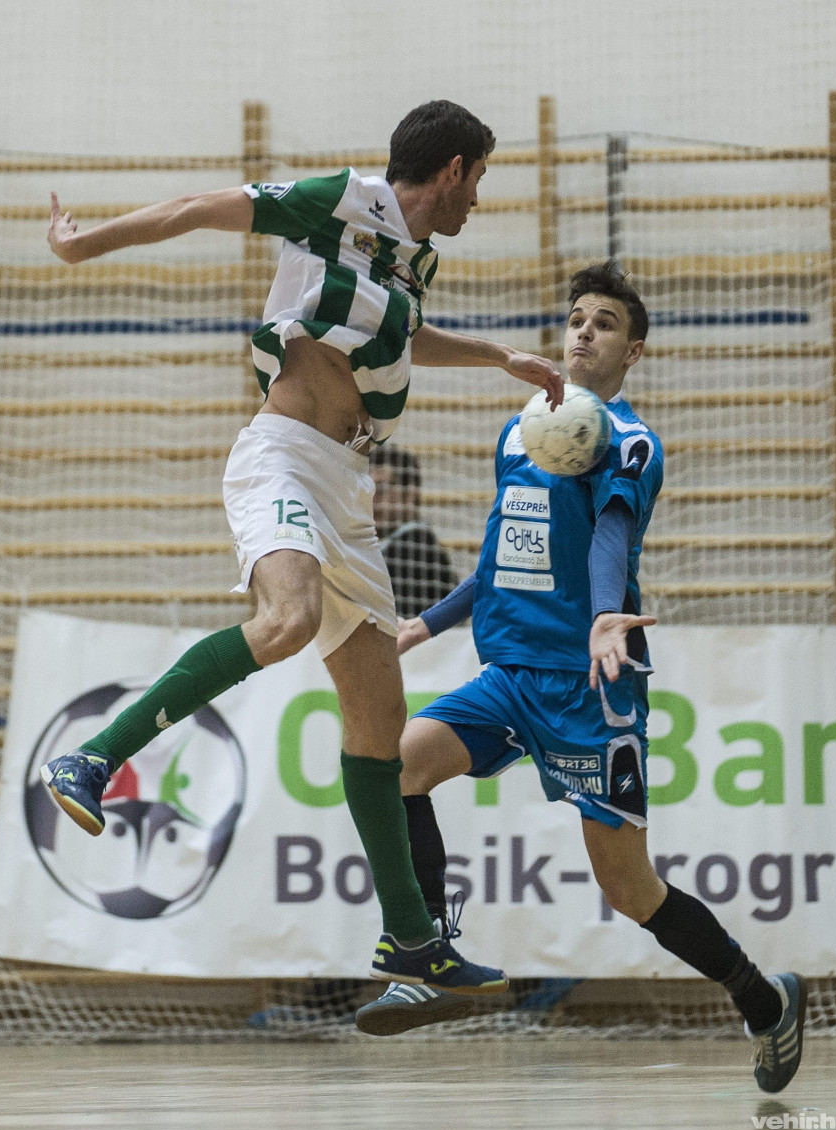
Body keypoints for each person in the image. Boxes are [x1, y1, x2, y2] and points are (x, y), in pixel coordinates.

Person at [39, 100, 563, 994]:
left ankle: (409, 939)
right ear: (452, 169)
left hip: (349, 488)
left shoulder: (415, 259)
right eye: (479, 179)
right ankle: (94, 756)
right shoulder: (339, 199)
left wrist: (499, 357)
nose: (479, 198)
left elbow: (403, 340)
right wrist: (84, 246)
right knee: (288, 618)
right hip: (280, 456)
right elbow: (197, 208)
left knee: (379, 722)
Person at [354, 263, 807, 1096]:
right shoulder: (518, 433)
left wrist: (606, 613)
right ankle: (425, 951)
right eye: (575, 318)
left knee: (629, 887)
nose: (583, 331)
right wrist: (427, 623)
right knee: (395, 764)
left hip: (592, 688)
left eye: (603, 322)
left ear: (633, 350)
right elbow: (499, 560)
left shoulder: (630, 442)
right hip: (511, 676)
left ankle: (761, 996)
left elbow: (612, 530)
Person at [370, 445, 458, 618]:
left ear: (410, 493)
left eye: (379, 489)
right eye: (366, 488)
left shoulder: (418, 549)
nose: (370, 498)